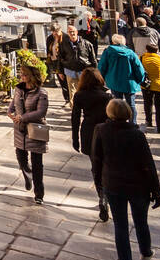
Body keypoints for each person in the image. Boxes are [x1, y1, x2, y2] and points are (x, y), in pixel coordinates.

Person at [90, 99, 160, 260]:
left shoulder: (101, 130)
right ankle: (146, 252)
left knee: (120, 227)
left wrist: (98, 184)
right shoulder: (137, 134)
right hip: (139, 186)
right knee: (141, 221)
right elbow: (149, 164)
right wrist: (156, 190)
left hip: (113, 185)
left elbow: (96, 160)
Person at [70, 68, 113, 221]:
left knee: (95, 166)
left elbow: (75, 118)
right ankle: (106, 194)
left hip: (89, 132)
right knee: (106, 165)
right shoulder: (107, 95)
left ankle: (101, 194)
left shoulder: (80, 95)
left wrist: (75, 138)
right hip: (105, 133)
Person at [8, 62, 50, 204]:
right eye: (21, 74)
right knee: (21, 158)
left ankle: (39, 193)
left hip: (35, 130)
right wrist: (10, 113)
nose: (22, 76)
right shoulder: (18, 89)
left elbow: (41, 112)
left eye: (25, 74)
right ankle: (27, 174)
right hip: (20, 129)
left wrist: (23, 117)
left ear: (32, 76)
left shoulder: (41, 93)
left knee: (37, 163)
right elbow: (13, 105)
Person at [98, 34, 144, 114]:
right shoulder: (131, 53)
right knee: (131, 105)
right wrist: (140, 80)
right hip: (129, 83)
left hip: (114, 81)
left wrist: (101, 79)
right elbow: (139, 68)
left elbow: (102, 67)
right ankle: (133, 123)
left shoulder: (108, 52)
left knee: (117, 104)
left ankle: (119, 121)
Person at [139, 43, 160, 133]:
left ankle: (148, 121)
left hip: (146, 86)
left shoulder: (142, 59)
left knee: (147, 104)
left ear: (146, 50)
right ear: (157, 51)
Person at [59, 24, 97, 104]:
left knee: (86, 91)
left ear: (77, 32)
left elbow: (93, 59)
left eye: (73, 32)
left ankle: (86, 108)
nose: (72, 34)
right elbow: (60, 58)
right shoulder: (63, 44)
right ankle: (74, 110)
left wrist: (95, 72)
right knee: (72, 93)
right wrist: (60, 71)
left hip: (84, 71)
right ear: (67, 33)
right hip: (70, 70)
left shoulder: (87, 44)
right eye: (70, 32)